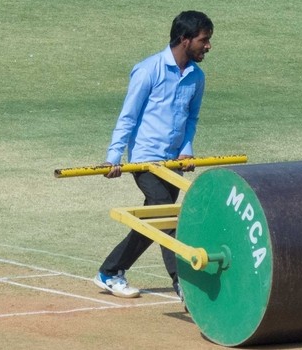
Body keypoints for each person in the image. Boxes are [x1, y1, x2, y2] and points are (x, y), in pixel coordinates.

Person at [93, 11, 213, 301]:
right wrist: (114, 157)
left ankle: (110, 271)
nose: (208, 46)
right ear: (185, 40)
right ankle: (182, 283)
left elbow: (191, 118)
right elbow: (128, 117)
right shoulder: (148, 70)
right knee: (163, 211)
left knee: (156, 220)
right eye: (203, 40)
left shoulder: (197, 76)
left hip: (174, 162)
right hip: (145, 160)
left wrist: (187, 149)